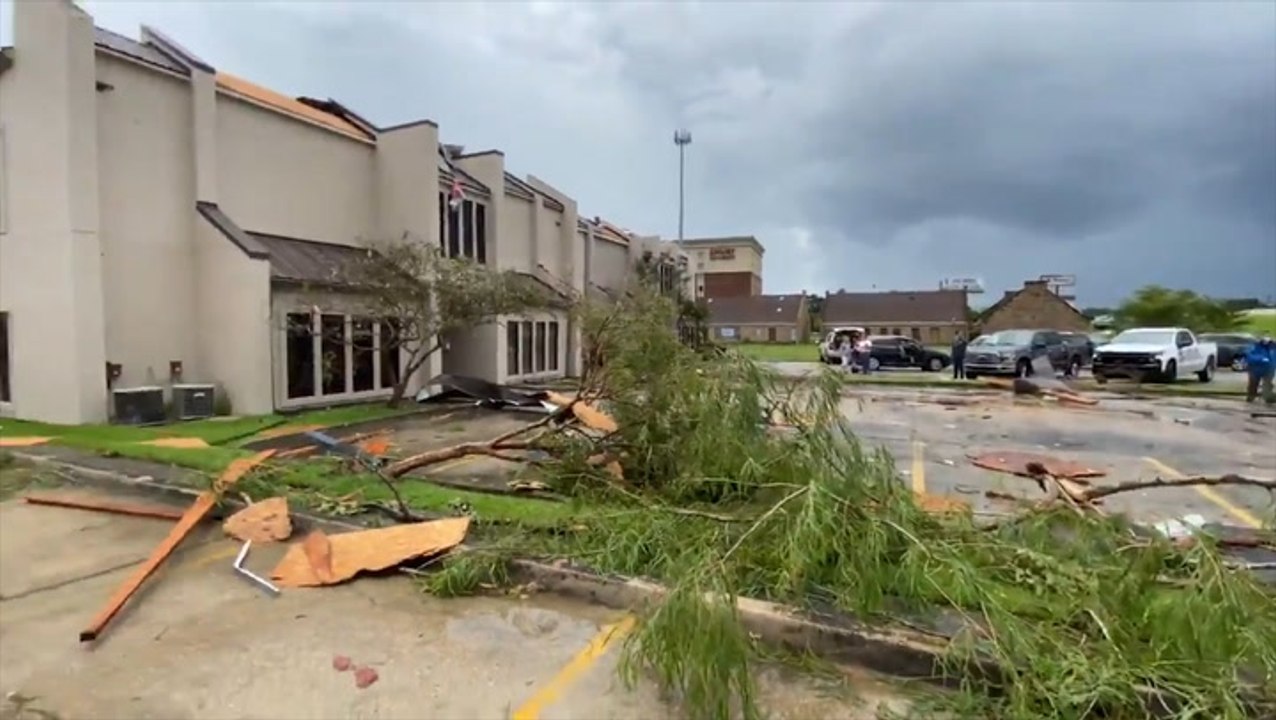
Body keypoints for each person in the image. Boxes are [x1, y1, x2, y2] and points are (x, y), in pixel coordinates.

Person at [1243, 335, 1276, 405]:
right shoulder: (1254, 346)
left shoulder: (1273, 347)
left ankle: (1268, 398)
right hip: (1255, 369)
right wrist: (1261, 359)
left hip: (1269, 369)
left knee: (1267, 385)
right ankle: (1251, 397)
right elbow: (1249, 356)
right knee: (1253, 385)